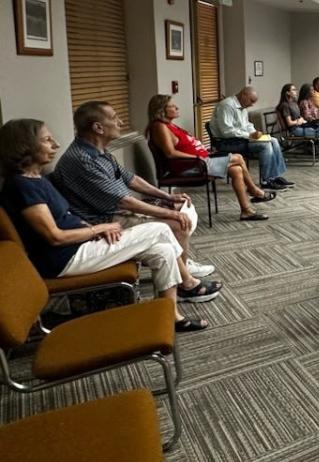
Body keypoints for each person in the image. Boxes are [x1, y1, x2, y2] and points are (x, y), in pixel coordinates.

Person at [0, 119, 212, 331]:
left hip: (81, 245)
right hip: (64, 259)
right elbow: (55, 236)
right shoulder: (22, 186)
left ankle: (171, 316)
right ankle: (188, 282)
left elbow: (65, 217)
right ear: (25, 146)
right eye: (47, 140)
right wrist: (98, 229)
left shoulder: (36, 178)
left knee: (162, 250)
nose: (55, 144)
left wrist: (91, 231)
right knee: (162, 229)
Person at [50, 101, 221, 295]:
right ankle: (185, 282)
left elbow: (131, 179)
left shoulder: (99, 152)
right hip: (102, 221)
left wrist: (167, 196)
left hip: (114, 211)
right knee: (175, 223)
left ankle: (182, 266)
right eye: (114, 118)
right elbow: (124, 201)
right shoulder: (82, 160)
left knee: (179, 211)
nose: (121, 122)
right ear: (98, 127)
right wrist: (169, 213)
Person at [147, 94, 274, 221]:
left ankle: (246, 211)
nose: (176, 107)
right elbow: (170, 153)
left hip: (199, 162)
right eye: (172, 106)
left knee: (237, 170)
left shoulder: (170, 125)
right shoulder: (159, 127)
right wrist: (197, 157)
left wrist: (203, 151)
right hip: (191, 166)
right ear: (161, 110)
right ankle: (254, 191)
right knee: (238, 158)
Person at [209, 86, 294, 190]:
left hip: (239, 139)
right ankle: (266, 180)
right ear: (243, 95)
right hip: (225, 142)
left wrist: (254, 132)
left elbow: (246, 125)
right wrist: (249, 135)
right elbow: (226, 131)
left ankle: (274, 177)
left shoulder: (242, 107)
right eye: (252, 100)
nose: (252, 104)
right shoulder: (226, 105)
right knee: (265, 145)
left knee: (273, 140)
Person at [276, 84, 319, 167]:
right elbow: (289, 123)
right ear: (287, 93)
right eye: (293, 90)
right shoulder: (285, 105)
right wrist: (299, 121)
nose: (296, 91)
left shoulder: (294, 103)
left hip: (302, 126)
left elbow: (299, 117)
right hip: (295, 130)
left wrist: (302, 120)